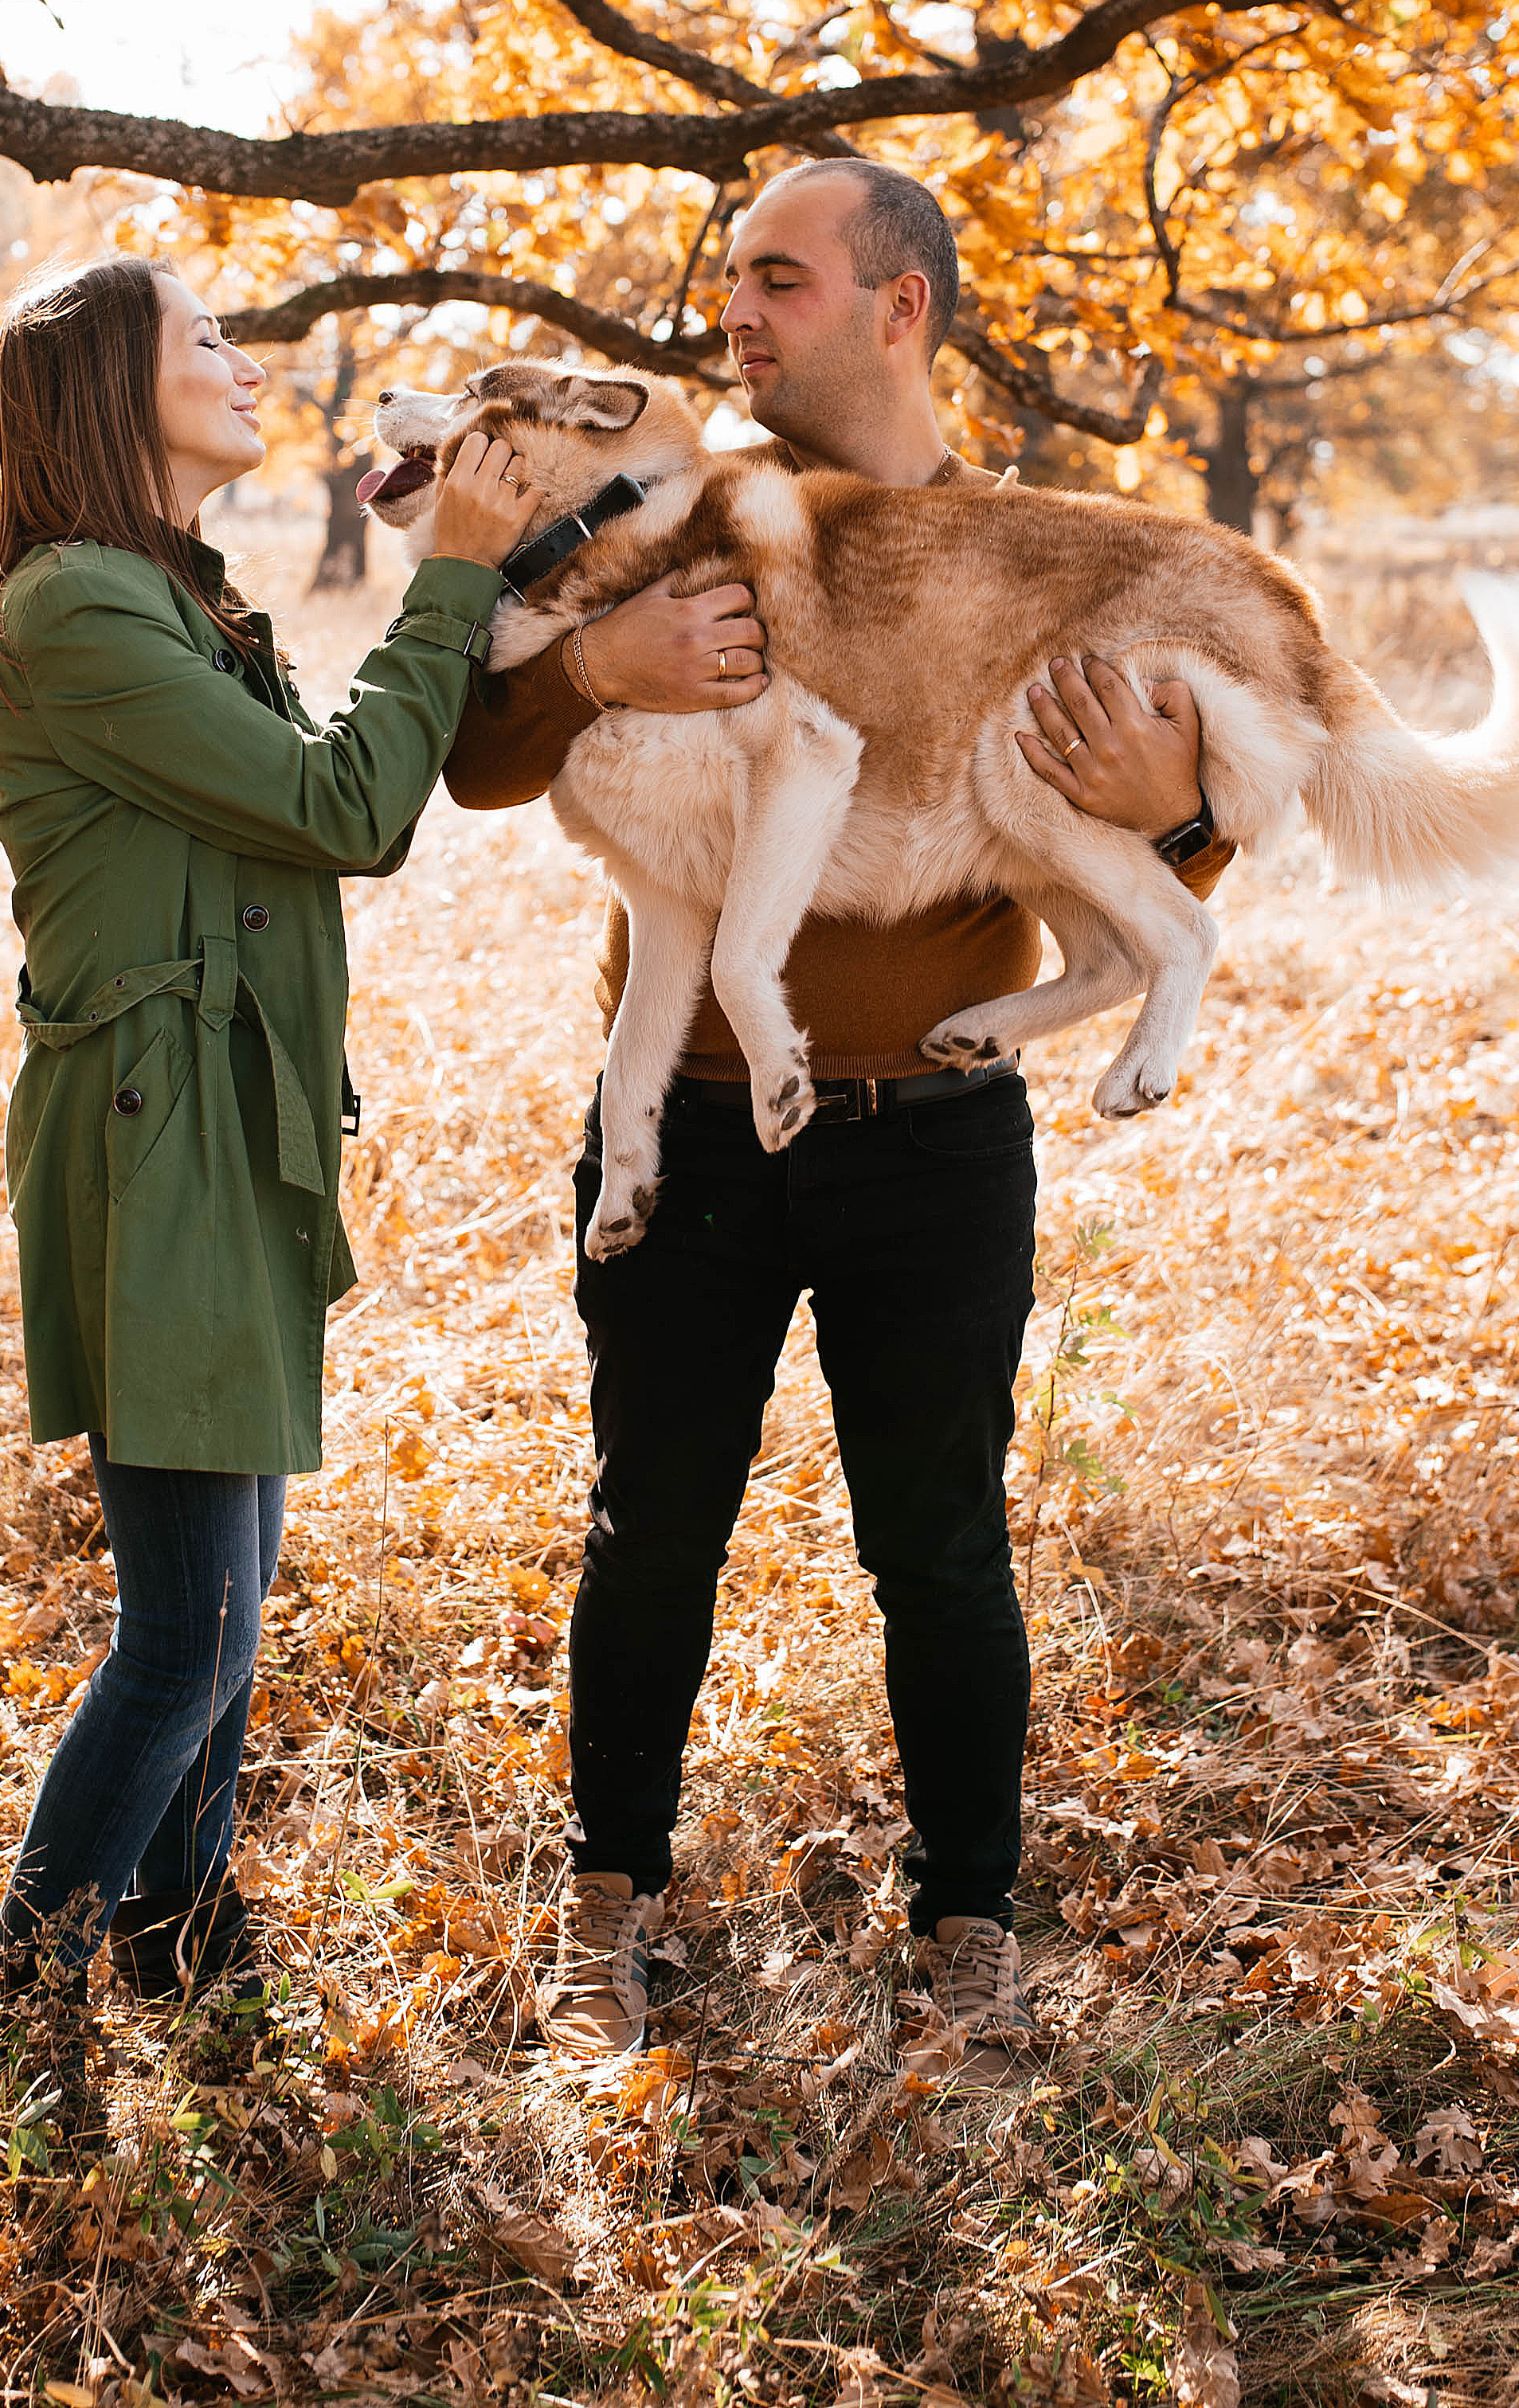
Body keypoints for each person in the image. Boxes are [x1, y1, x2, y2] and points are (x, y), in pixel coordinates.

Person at [444, 158, 1233, 2074]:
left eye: (778, 281)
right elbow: (473, 757)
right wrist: (599, 662)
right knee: (651, 1531)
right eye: (728, 280)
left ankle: (969, 1925)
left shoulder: (1015, 546)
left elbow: (1172, 854)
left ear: (899, 306)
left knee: (943, 1549)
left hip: (930, 1139)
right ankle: (606, 1904)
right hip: (694, 1137)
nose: (734, 314)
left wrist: (1172, 791)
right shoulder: (680, 512)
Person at [0, 252, 538, 2046]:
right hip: (158, 1133)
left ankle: (183, 1933)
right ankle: (22, 1979)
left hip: (226, 1113)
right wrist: (448, 579)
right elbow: (345, 807)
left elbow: (327, 810)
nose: (242, 357)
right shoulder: (76, 610)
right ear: (95, 392)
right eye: (198, 337)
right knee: (189, 1627)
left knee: (229, 1594)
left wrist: (489, 570)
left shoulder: (171, 600)